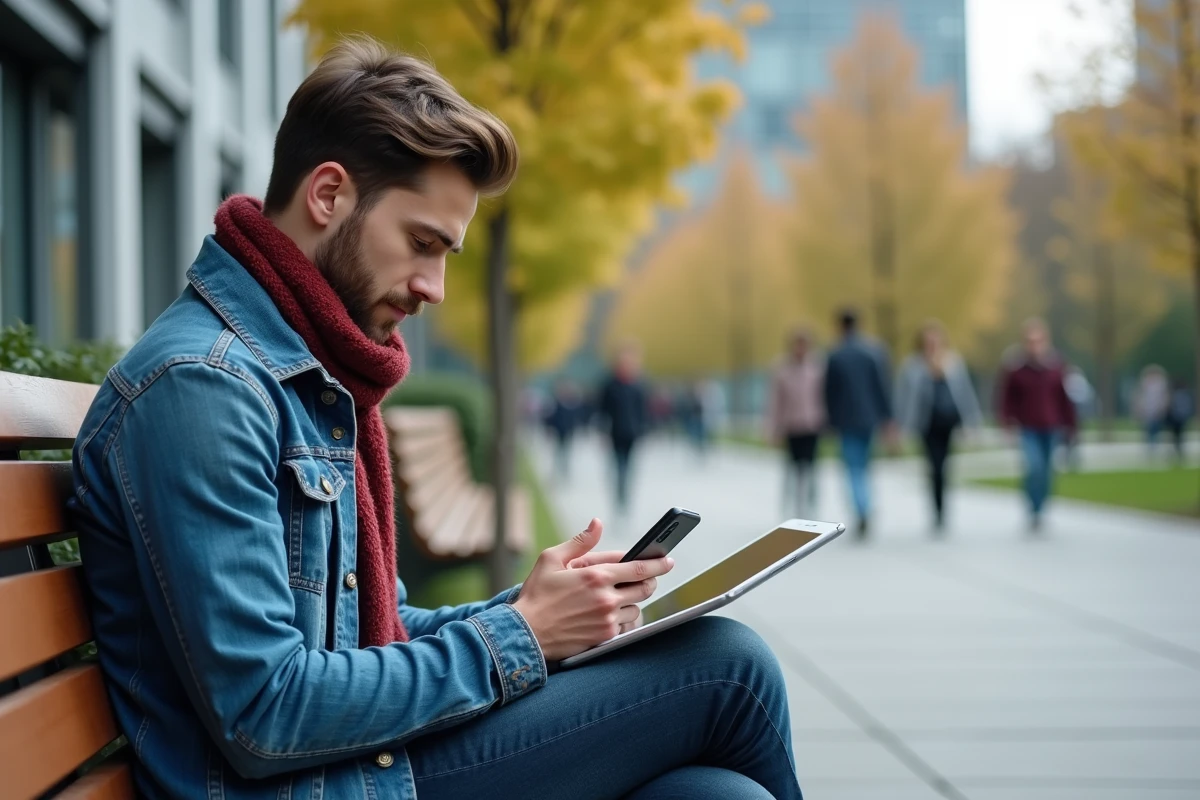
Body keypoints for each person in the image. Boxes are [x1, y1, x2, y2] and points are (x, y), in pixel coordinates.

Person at [68, 38, 801, 800]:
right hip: (318, 784)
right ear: (328, 195)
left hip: (347, 768)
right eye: (423, 244)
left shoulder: (295, 366)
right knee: (729, 668)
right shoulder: (204, 385)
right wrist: (519, 638)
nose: (435, 287)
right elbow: (266, 710)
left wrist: (532, 610)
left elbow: (358, 630)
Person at [894, 321, 983, 532]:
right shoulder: (913, 365)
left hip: (948, 422)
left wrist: (972, 420)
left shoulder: (953, 363)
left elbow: (965, 394)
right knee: (933, 466)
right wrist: (900, 425)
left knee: (944, 466)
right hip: (926, 424)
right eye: (928, 342)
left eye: (935, 341)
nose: (932, 345)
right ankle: (937, 510)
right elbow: (903, 397)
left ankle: (943, 508)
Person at [996, 318, 1077, 531]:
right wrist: (1006, 422)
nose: (1034, 345)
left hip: (1051, 426)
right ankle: (1032, 507)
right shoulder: (1016, 369)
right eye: (1030, 341)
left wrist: (1071, 426)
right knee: (1034, 467)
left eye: (1038, 340)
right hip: (1028, 427)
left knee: (1048, 469)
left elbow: (1064, 399)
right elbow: (1006, 399)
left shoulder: (1056, 367)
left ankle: (1041, 508)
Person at [823, 309, 894, 538]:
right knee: (864, 465)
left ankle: (861, 508)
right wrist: (887, 417)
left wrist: (830, 421)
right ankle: (865, 506)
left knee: (853, 467)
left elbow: (829, 393)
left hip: (846, 420)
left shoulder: (835, 355)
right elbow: (881, 387)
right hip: (869, 418)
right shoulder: (873, 352)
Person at [765, 327, 826, 519]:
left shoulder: (818, 368)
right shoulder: (782, 370)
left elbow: (825, 396)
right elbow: (775, 401)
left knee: (811, 469)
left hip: (812, 425)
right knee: (792, 469)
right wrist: (773, 428)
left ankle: (810, 508)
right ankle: (791, 509)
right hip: (791, 426)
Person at [598, 344, 651, 515]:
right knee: (619, 466)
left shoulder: (638, 385)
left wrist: (643, 430)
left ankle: (625, 495)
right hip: (615, 432)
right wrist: (603, 432)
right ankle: (619, 495)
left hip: (632, 433)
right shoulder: (610, 385)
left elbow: (642, 410)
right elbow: (603, 409)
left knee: (628, 467)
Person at [543, 378, 583, 480]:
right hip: (558, 431)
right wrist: (549, 428)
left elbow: (574, 419)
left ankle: (564, 472)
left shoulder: (571, 403)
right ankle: (556, 472)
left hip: (568, 432)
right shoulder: (556, 403)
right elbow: (550, 418)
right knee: (558, 452)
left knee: (566, 452)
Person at [1133, 364, 1171, 458]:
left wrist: (1163, 408)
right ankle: (1151, 447)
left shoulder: (1161, 384)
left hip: (1157, 411)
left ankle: (1153, 447)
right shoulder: (1144, 384)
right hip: (1147, 411)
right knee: (1149, 430)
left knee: (1154, 429)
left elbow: (1164, 398)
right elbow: (1139, 397)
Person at [1165, 378, 1194, 464]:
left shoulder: (1175, 395)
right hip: (1181, 418)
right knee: (1179, 436)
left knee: (1175, 437)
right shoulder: (1185, 395)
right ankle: (1179, 452)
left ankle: (1177, 452)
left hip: (1176, 419)